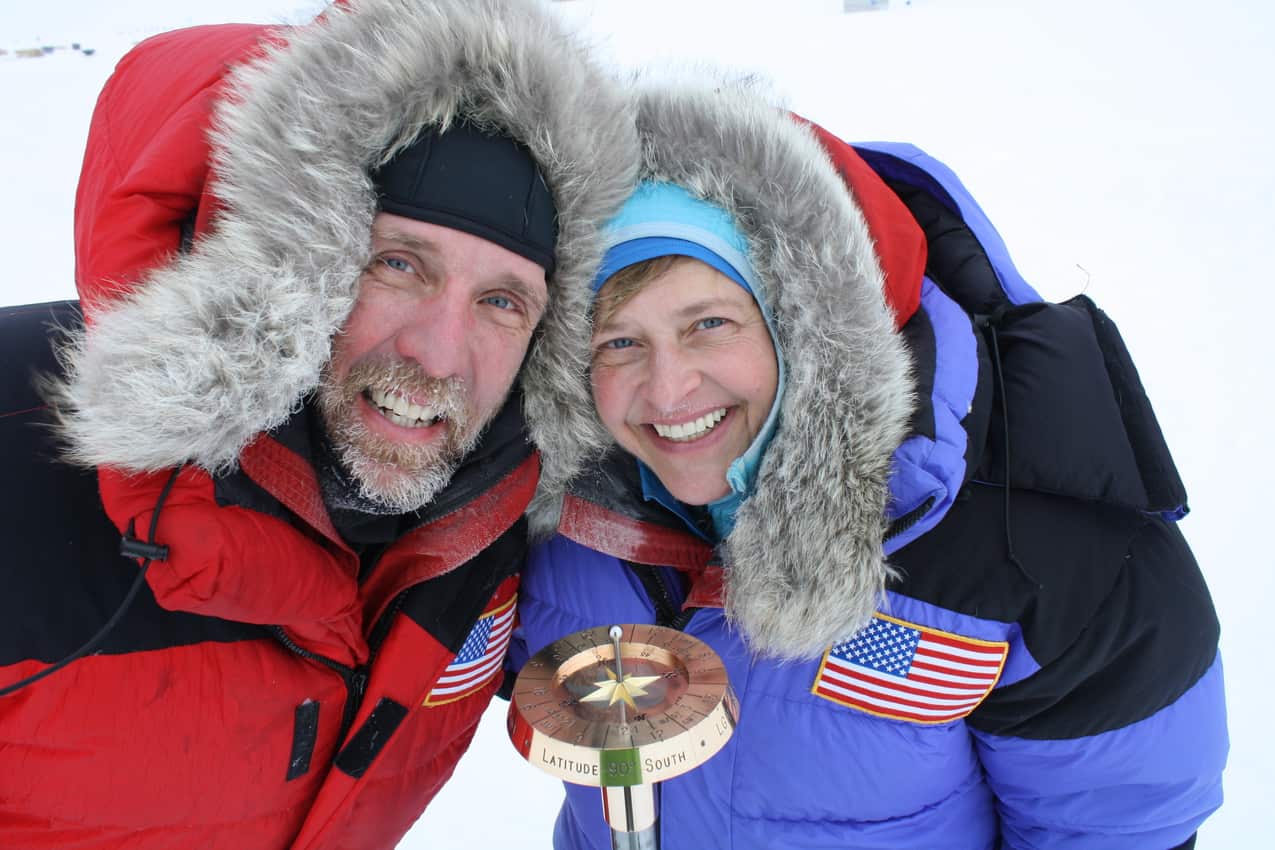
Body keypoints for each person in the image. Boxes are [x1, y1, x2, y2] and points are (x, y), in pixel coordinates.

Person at [510, 78, 1228, 849]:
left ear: (805, 327)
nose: (667, 388)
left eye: (709, 323)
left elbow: (1115, 825)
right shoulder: (546, 504)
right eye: (618, 341)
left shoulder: (1040, 549)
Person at [0, 1, 636, 848]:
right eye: (399, 264)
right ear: (282, 266)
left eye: (501, 301)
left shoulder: (495, 518)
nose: (442, 357)